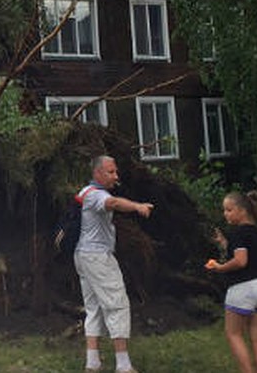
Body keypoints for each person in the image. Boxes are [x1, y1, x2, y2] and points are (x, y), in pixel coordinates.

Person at [74, 155, 155, 373]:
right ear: (97, 173)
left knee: (93, 308)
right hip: (98, 258)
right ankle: (123, 365)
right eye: (111, 172)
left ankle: (92, 363)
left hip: (82, 256)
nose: (115, 176)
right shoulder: (97, 196)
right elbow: (114, 203)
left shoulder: (84, 192)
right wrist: (137, 207)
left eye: (115, 171)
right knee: (117, 304)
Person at [206, 191, 257, 373]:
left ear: (242, 211)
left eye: (229, 210)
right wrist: (224, 243)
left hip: (245, 287)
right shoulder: (256, 232)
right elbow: (247, 254)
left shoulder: (237, 232)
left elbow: (241, 261)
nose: (225, 214)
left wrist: (220, 268)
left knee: (233, 334)